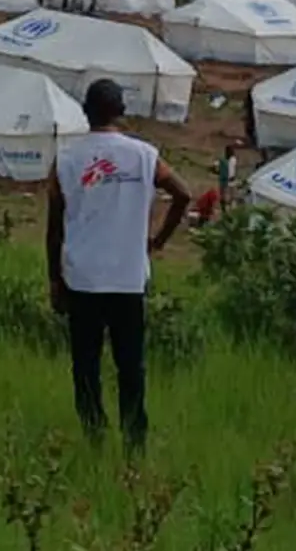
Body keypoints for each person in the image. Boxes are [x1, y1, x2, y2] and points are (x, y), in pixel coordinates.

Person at [46, 79, 193, 453]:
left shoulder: (66, 160)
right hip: (128, 279)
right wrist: (156, 243)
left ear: (85, 112)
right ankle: (134, 443)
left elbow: (55, 226)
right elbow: (184, 194)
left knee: (86, 367)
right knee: (131, 367)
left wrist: (54, 280)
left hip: (82, 279)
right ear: (121, 111)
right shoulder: (145, 156)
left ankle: (94, 436)